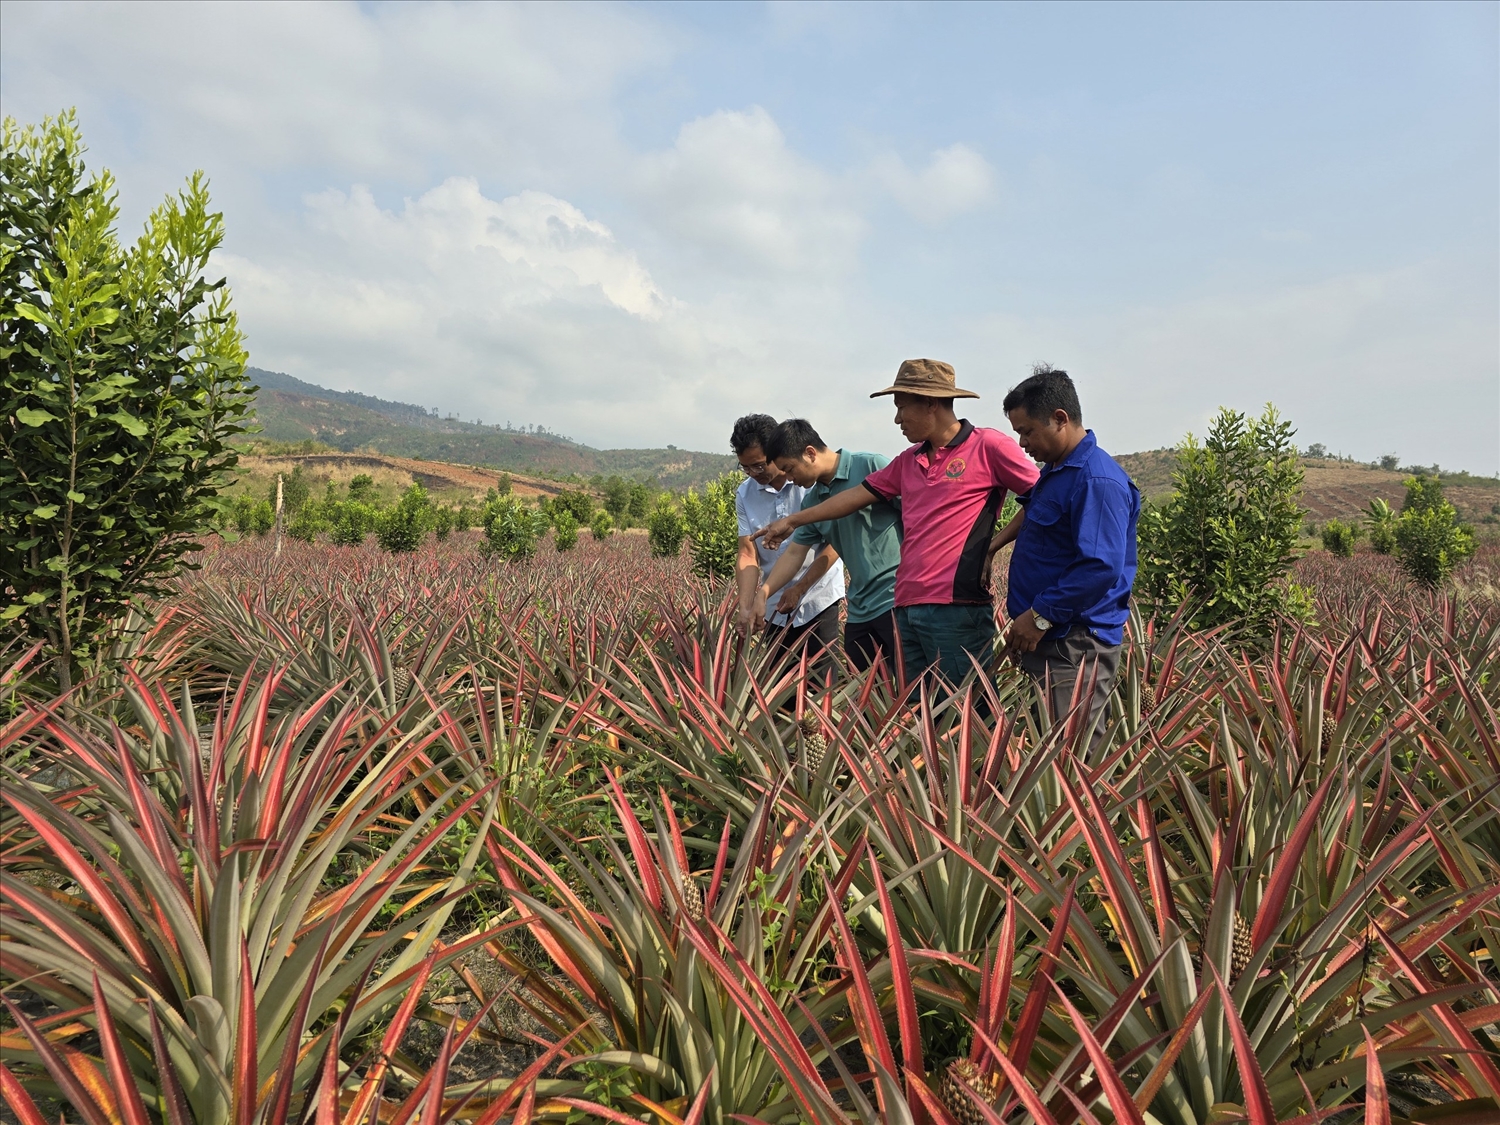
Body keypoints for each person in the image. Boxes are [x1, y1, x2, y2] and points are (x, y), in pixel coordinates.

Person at [755, 360, 1038, 689]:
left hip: (957, 608)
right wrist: (793, 520)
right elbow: (855, 497)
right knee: (913, 713)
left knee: (965, 713)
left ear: (930, 403)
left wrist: (993, 545)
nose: (897, 419)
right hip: (905, 609)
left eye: (902, 407)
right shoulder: (908, 461)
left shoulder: (988, 446)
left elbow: (1043, 498)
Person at [988, 365, 1140, 744]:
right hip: (1052, 638)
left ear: (1060, 419)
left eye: (1027, 431)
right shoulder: (1058, 471)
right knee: (1048, 751)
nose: (1023, 443)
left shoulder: (1097, 480)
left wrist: (1038, 617)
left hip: (1075, 643)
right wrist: (992, 547)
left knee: (1072, 757)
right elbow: (1033, 514)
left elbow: (1099, 567)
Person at [758, 419, 901, 673]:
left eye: (790, 469)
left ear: (810, 453)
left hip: (897, 599)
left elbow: (915, 515)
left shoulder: (870, 465)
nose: (789, 478)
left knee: (908, 691)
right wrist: (764, 592)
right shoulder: (813, 501)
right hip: (859, 609)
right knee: (868, 697)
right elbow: (794, 553)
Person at [730, 414, 846, 668]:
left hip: (818, 597)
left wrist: (800, 588)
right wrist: (747, 605)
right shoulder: (745, 494)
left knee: (821, 686)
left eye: (759, 465)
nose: (753, 473)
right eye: (746, 467)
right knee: (780, 691)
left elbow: (835, 544)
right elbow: (748, 554)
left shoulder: (809, 481)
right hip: (773, 605)